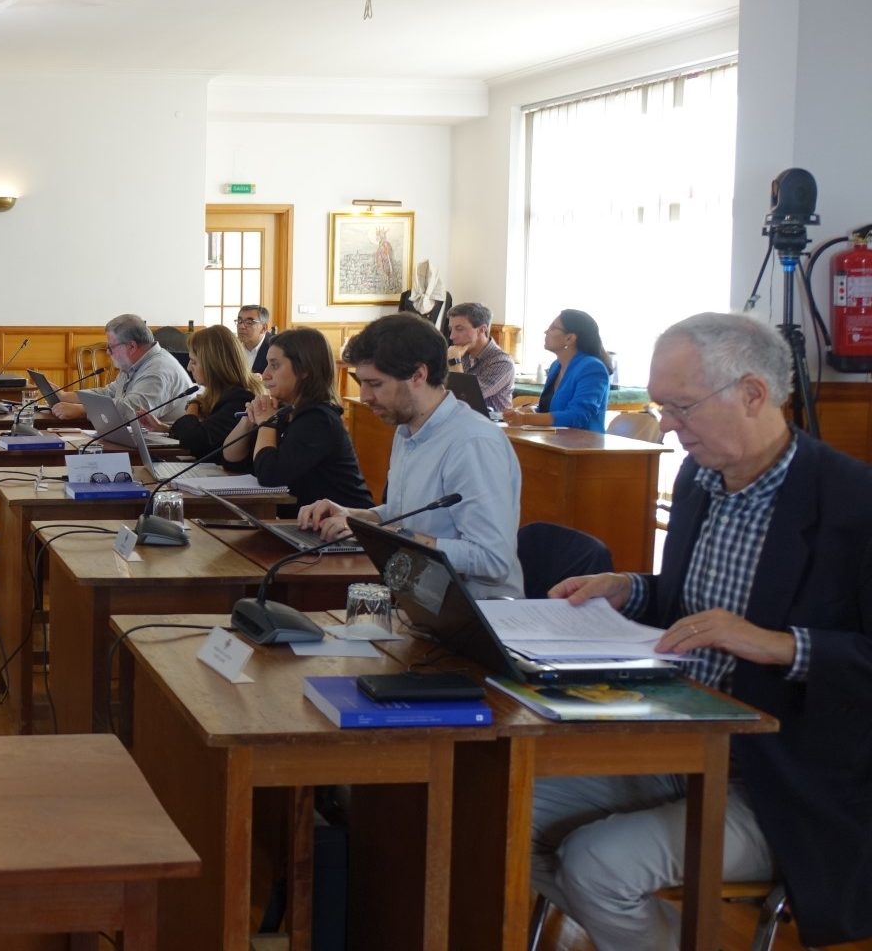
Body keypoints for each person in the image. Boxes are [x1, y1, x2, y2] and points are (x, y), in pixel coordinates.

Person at [533, 312, 872, 950]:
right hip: (680, 739)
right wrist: (626, 587)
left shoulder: (854, 505)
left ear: (752, 394)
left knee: (596, 863)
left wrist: (778, 645)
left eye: (681, 407)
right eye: (662, 406)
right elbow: (687, 606)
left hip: (788, 779)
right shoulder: (700, 478)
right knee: (498, 810)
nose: (665, 425)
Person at [299, 313, 523, 598]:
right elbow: (405, 516)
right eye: (362, 382)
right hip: (420, 600)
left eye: (376, 384)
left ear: (419, 375)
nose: (365, 396)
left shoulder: (472, 442)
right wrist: (354, 517)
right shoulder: (408, 429)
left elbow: (493, 559)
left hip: (478, 615)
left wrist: (393, 538)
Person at [222, 327, 374, 516]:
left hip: (345, 532)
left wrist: (267, 422)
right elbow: (231, 459)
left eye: (275, 365)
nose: (265, 374)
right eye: (267, 364)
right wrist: (249, 420)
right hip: (307, 526)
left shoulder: (319, 419)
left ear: (304, 370)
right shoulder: (286, 411)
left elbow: (269, 474)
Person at [49, 313, 194, 427]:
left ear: (131, 347)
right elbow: (108, 393)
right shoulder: (135, 363)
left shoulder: (158, 370)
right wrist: (66, 396)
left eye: (111, 347)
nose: (107, 352)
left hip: (168, 447)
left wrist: (83, 410)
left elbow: (133, 412)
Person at [165, 325, 260, 466]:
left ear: (213, 364)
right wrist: (164, 428)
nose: (189, 368)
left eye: (194, 361)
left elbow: (196, 442)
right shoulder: (220, 394)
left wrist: (193, 405)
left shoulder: (239, 398)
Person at [506, 308, 609, 432]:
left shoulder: (592, 368)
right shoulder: (556, 365)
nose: (546, 332)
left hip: (584, 446)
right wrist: (533, 410)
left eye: (553, 328)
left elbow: (578, 416)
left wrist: (526, 419)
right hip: (554, 441)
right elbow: (551, 409)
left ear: (570, 338)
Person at [446, 301, 515, 414]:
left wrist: (454, 362)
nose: (452, 336)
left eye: (459, 329)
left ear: (482, 330)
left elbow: (465, 400)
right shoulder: (461, 354)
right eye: (450, 329)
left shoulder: (502, 363)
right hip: (462, 424)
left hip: (492, 428)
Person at [234, 304, 275, 373]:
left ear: (264, 328)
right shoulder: (233, 347)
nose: (241, 326)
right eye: (239, 321)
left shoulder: (275, 348)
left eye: (249, 322)